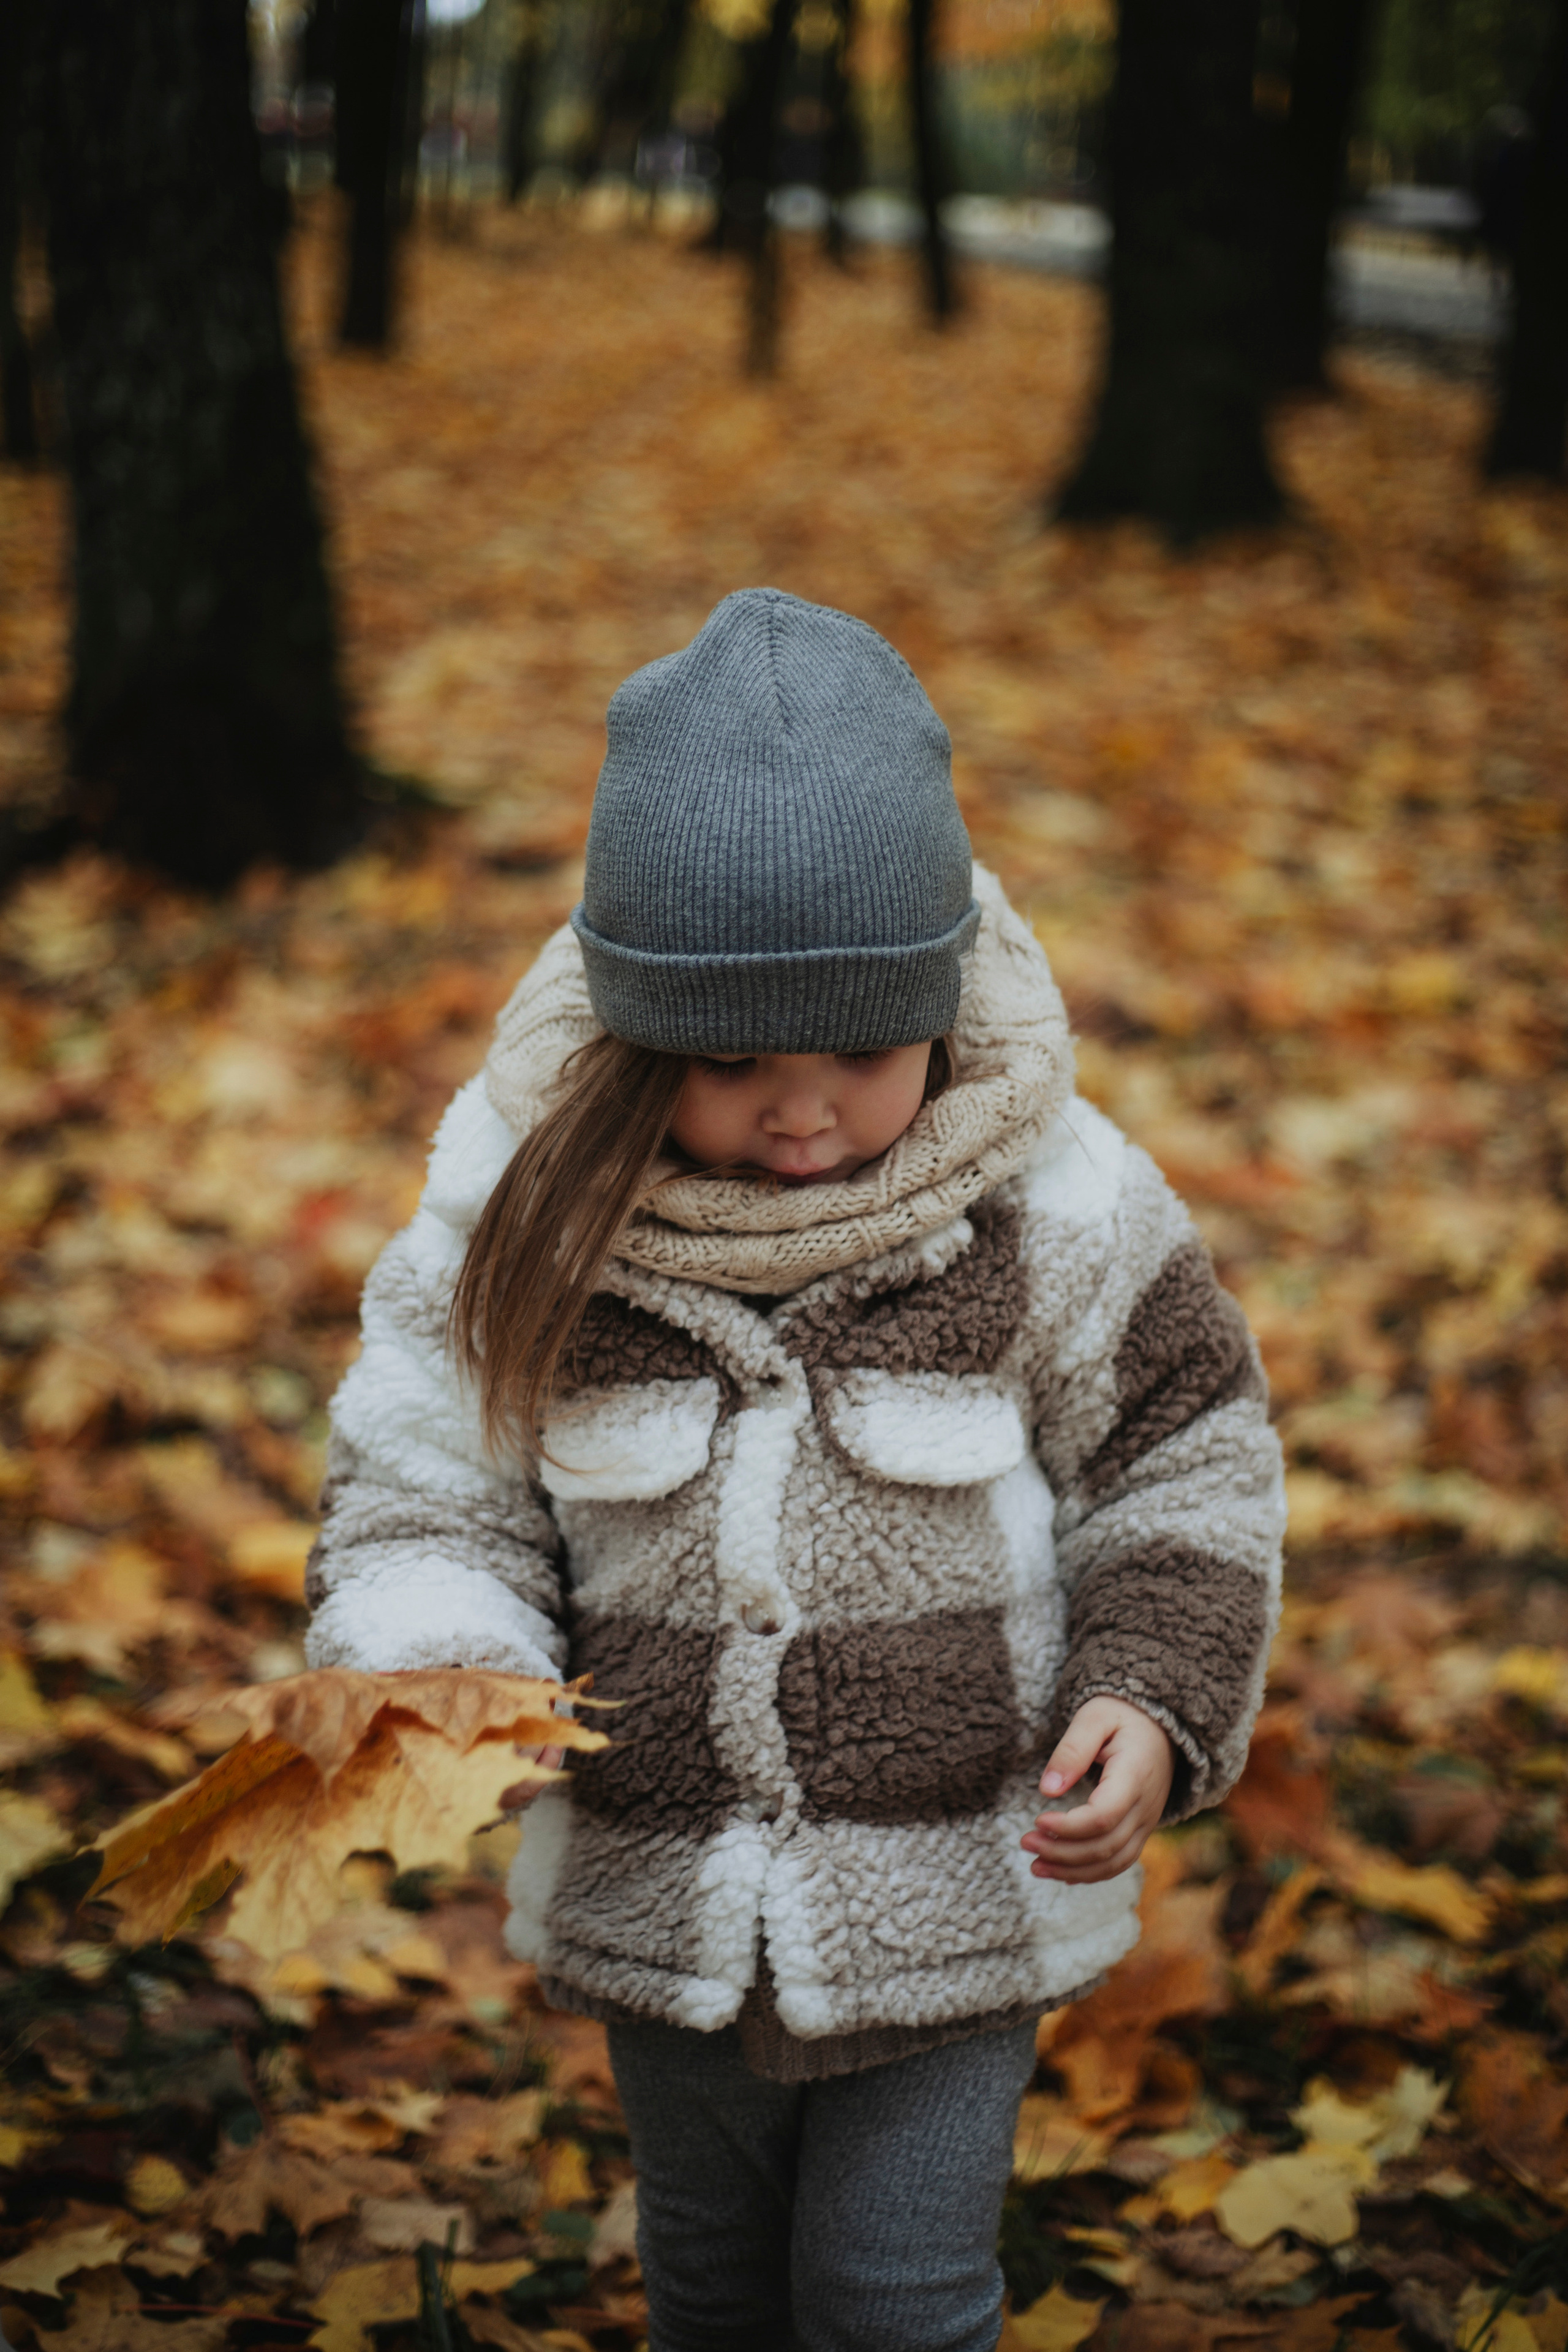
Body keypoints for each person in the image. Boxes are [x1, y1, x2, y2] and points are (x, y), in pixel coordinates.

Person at [304, 587, 1285, 2352]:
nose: (807, 1112)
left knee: (890, 2302)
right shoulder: (523, 1220)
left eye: (862, 1048)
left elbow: (1181, 1459)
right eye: (734, 1062)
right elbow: (427, 1483)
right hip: (665, 1898)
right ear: (630, 1037)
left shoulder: (1052, 1207)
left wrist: (1154, 1691)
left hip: (960, 1891)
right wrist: (451, 1661)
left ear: (939, 1007)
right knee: (715, 2293)